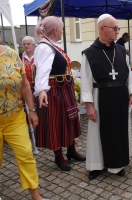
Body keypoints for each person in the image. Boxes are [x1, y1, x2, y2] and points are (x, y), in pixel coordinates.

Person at [81, 13, 132, 180]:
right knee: (98, 132)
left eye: (118, 28)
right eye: (114, 28)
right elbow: (85, 81)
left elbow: (129, 74)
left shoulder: (121, 51)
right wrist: (89, 105)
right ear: (102, 28)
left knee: (119, 131)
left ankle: (117, 165)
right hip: (100, 97)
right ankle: (96, 165)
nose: (117, 32)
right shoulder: (89, 53)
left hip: (120, 96)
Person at [34, 16, 85, 171]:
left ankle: (71, 150)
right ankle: (58, 156)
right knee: (56, 123)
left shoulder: (54, 45)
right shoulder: (44, 47)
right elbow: (42, 71)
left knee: (69, 119)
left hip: (65, 89)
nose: (63, 32)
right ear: (56, 30)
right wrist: (42, 90)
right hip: (55, 91)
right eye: (62, 29)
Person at [0, 44, 44, 200]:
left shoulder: (12, 53)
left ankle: (35, 194)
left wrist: (32, 111)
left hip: (15, 117)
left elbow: (24, 84)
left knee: (26, 154)